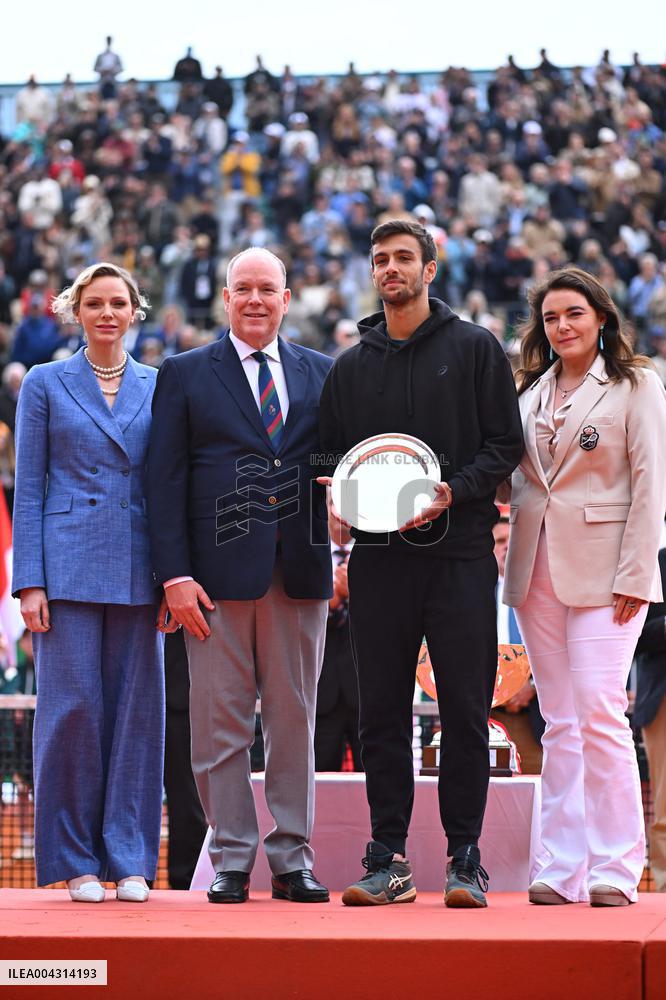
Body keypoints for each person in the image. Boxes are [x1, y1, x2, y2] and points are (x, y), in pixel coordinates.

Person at [318, 220, 523, 908]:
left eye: (404, 258)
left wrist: (453, 493)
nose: (391, 269)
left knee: (464, 711)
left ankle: (466, 858)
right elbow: (328, 457)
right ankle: (388, 858)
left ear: (430, 269)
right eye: (380, 260)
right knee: (380, 714)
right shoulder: (350, 365)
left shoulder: (474, 348)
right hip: (379, 562)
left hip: (462, 555)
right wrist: (337, 502)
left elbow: (504, 448)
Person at [147, 247, 333, 904]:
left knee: (294, 723)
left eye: (267, 289)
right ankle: (230, 856)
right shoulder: (186, 372)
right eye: (243, 288)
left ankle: (292, 859)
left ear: (287, 298)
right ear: (225, 299)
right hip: (214, 584)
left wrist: (344, 547)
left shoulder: (323, 373)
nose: (255, 300)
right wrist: (173, 575)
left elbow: (339, 475)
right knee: (218, 727)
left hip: (301, 576)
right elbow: (163, 481)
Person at [502, 265, 666, 906]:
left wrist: (638, 573)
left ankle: (616, 869)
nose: (562, 326)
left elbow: (652, 486)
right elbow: (513, 480)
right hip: (534, 568)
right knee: (558, 719)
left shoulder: (636, 385)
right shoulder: (528, 393)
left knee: (600, 711)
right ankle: (560, 866)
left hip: (608, 573)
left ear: (601, 318)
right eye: (550, 317)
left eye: (574, 313)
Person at [11, 262, 172, 903]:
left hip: (142, 570)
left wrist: (172, 578)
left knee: (139, 716)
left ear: (136, 312)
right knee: (71, 717)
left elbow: (168, 487)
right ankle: (77, 860)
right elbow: (29, 488)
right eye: (95, 302)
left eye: (119, 303)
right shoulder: (45, 384)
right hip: (67, 571)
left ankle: (130, 859)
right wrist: (30, 582)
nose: (107, 313)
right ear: (76, 311)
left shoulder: (162, 385)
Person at [633, 547, 666, 892]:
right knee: (665, 810)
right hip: (662, 699)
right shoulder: (655, 563)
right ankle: (664, 890)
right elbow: (634, 633)